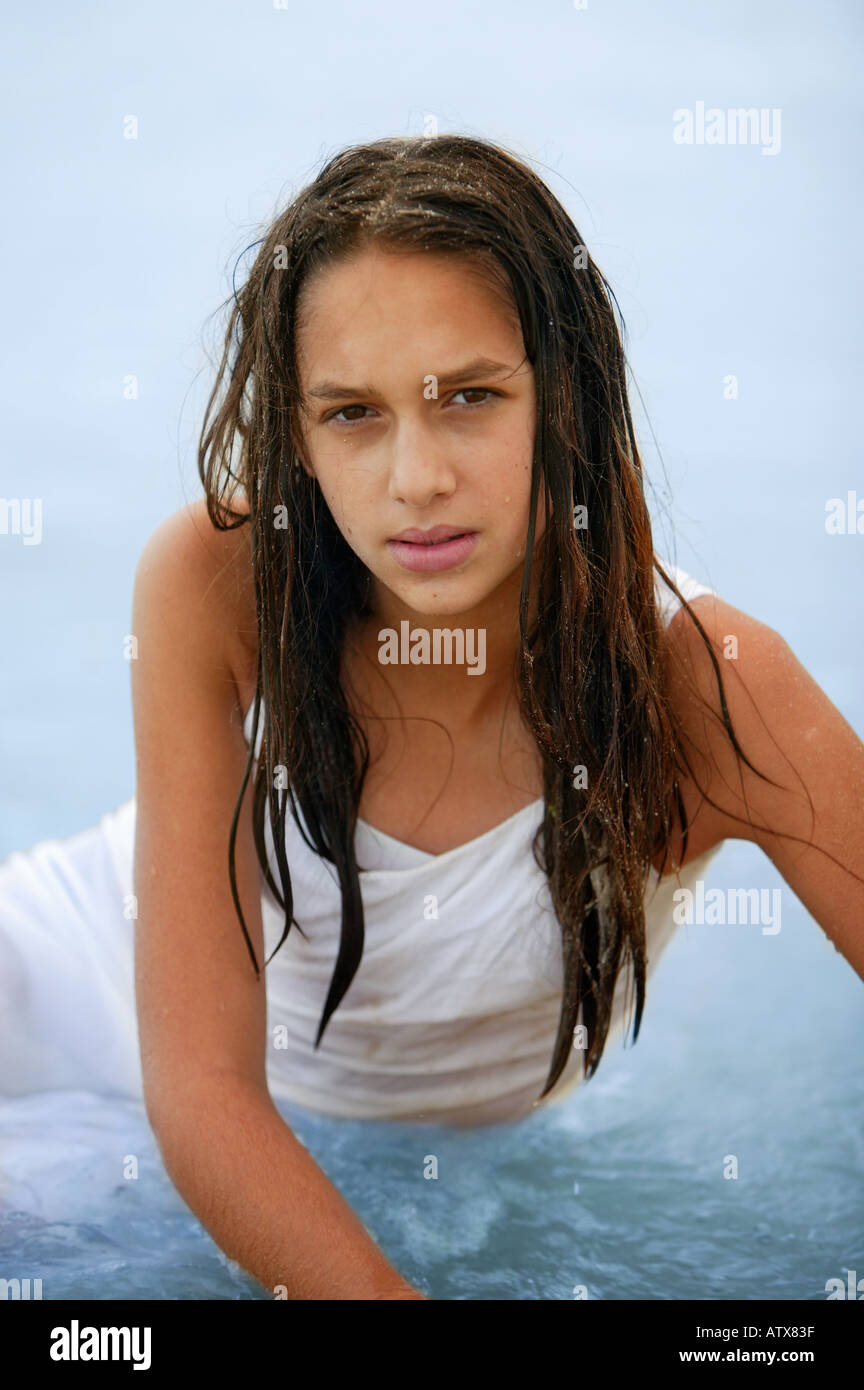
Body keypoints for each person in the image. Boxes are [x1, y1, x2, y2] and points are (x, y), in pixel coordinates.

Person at [1, 135, 862, 1301]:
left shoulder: (712, 690)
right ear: (298, 436)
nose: (414, 476)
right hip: (73, 985)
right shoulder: (218, 580)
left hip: (379, 1139)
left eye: (469, 396)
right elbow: (204, 1093)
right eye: (351, 412)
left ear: (567, 396)